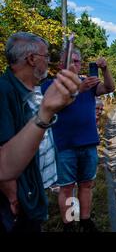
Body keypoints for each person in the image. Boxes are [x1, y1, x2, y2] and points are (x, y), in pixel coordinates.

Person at [0, 32, 80, 233]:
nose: (49, 63)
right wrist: (12, 195)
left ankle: (78, 221)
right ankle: (70, 225)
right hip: (20, 196)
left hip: (37, 182)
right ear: (32, 59)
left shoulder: (33, 90)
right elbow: (4, 156)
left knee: (80, 187)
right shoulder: (6, 92)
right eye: (47, 57)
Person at [41, 48, 115, 232]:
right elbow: (56, 103)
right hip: (65, 144)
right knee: (67, 188)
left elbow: (109, 88)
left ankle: (85, 220)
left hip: (89, 142)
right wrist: (78, 89)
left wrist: (105, 70)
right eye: (71, 61)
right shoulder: (50, 85)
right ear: (61, 65)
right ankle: (69, 224)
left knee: (87, 184)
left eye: (77, 61)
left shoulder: (87, 83)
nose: (75, 64)